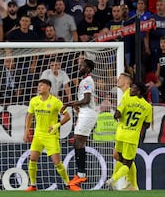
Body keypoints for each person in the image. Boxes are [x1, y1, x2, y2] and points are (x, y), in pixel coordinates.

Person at [23, 79, 78, 191]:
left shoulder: (56, 102)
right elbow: (29, 116)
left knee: (57, 162)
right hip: (38, 135)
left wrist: (57, 125)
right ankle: (33, 185)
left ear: (48, 87)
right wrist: (26, 131)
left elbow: (67, 116)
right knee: (32, 159)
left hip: (51, 136)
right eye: (38, 85)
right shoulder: (34, 101)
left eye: (42, 85)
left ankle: (68, 184)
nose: (39, 87)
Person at [105, 82, 152, 190]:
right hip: (131, 137)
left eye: (133, 88)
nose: (131, 89)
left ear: (139, 91)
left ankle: (131, 184)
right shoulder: (147, 106)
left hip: (120, 134)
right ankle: (113, 180)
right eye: (131, 87)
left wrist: (117, 115)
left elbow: (117, 113)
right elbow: (147, 124)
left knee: (119, 158)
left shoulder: (126, 97)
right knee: (127, 163)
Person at [63, 59, 97, 189]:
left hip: (88, 113)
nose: (80, 67)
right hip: (84, 113)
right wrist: (77, 106)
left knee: (78, 142)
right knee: (77, 141)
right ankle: (80, 175)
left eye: (82, 66)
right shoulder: (84, 80)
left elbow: (87, 99)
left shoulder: (88, 80)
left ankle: (81, 174)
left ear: (88, 69)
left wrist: (71, 103)